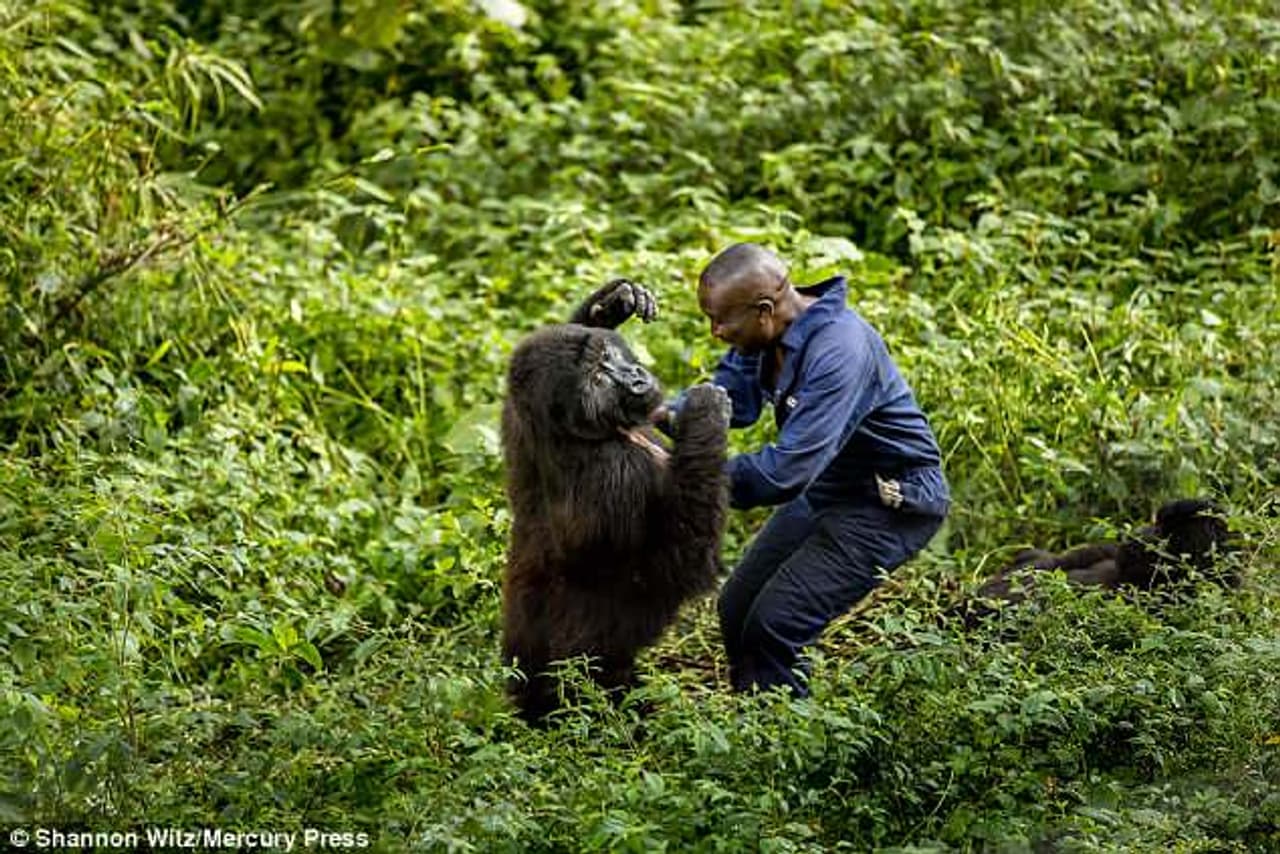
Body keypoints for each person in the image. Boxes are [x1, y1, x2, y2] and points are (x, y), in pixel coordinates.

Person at [659, 242, 950, 696]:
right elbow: (725, 402)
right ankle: (757, 724)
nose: (715, 331)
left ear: (764, 309)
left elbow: (784, 473)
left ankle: (785, 747)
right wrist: (655, 414)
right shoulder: (763, 335)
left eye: (721, 320)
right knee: (736, 610)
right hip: (831, 487)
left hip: (888, 503)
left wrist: (684, 478)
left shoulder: (840, 350)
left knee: (774, 625)